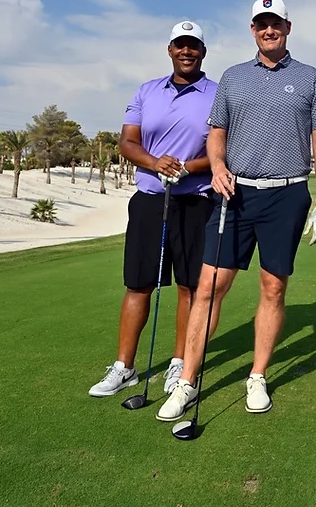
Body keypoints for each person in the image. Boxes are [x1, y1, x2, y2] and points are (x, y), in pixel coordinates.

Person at [156, 0, 316, 421]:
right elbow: (216, 132)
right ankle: (187, 380)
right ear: (252, 30)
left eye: (275, 23)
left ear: (288, 27)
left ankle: (257, 375)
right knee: (209, 287)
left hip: (287, 194)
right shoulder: (233, 78)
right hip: (234, 194)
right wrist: (216, 166)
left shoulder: (310, 78)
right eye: (260, 24)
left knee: (273, 287)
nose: (268, 30)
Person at [89, 21, 218, 398]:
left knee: (189, 287)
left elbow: (219, 151)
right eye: (180, 45)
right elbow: (127, 143)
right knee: (139, 284)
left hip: (196, 200)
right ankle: (124, 366)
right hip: (149, 199)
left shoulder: (216, 93)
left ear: (203, 52)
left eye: (193, 46)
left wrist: (184, 167)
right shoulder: (147, 91)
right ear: (170, 49)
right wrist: (155, 162)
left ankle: (180, 361)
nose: (187, 51)